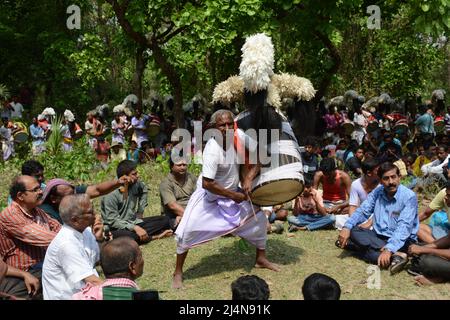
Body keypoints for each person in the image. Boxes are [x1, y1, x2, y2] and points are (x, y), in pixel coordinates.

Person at [173, 110, 279, 289]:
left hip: (232, 194)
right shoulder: (212, 150)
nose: (227, 128)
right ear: (214, 128)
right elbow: (207, 183)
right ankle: (177, 272)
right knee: (187, 231)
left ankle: (260, 258)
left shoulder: (239, 136)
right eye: (223, 125)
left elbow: (262, 155)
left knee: (259, 219)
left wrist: (247, 178)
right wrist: (234, 195)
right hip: (210, 198)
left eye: (230, 124)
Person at [337, 162, 419, 275]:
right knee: (354, 230)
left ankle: (359, 249)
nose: (391, 182)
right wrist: (347, 227)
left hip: (401, 241)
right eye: (386, 178)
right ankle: (397, 257)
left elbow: (404, 228)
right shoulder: (378, 192)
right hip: (378, 236)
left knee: (366, 249)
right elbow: (362, 211)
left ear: (399, 177)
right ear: (380, 180)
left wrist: (389, 249)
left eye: (393, 177)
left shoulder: (409, 196)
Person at [42, 194, 104, 300]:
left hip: (84, 293)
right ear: (75, 220)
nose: (95, 214)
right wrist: (123, 292)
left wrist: (100, 239)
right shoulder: (66, 244)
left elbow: (100, 260)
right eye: (90, 212)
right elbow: (93, 281)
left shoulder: (86, 232)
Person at [101, 160, 173, 244]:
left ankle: (142, 234)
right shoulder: (111, 193)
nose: (138, 176)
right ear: (124, 177)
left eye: (137, 173)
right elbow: (112, 221)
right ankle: (155, 236)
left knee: (165, 220)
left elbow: (144, 190)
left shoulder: (134, 184)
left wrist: (140, 211)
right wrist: (135, 228)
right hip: (117, 227)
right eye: (134, 174)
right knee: (131, 236)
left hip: (133, 221)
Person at [0, 176, 61, 274]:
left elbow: (59, 228)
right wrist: (73, 239)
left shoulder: (38, 211)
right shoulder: (10, 215)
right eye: (35, 190)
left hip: (42, 267)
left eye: (40, 188)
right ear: (20, 196)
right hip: (24, 273)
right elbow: (46, 238)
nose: (41, 192)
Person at [40, 176, 133, 224]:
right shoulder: (46, 213)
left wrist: (117, 182)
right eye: (70, 196)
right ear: (53, 199)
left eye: (74, 194)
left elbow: (97, 190)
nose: (74, 198)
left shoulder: (70, 192)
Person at [73, 237, 144, 300]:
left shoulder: (84, 296)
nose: (142, 260)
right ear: (132, 266)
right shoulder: (140, 296)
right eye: (140, 256)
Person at [159, 157, 197, 230]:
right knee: (181, 225)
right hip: (173, 215)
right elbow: (172, 206)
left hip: (191, 211)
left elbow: (199, 196)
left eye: (184, 165)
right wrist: (189, 216)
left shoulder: (191, 178)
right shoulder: (166, 183)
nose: (182, 167)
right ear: (171, 167)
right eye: (179, 165)